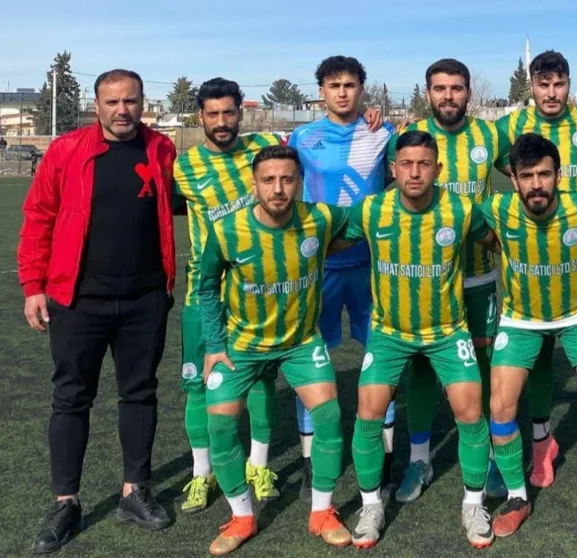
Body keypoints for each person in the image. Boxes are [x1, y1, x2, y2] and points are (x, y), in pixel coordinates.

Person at [20, 69, 177, 554]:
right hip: (77, 299)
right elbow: (39, 215)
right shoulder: (66, 150)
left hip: (145, 297)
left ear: (143, 103)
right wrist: (33, 286)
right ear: (97, 105)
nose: (122, 110)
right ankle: (65, 503)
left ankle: (134, 492)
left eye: (130, 101)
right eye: (112, 102)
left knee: (140, 392)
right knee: (71, 397)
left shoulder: (162, 150)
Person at [344, 131, 495, 549]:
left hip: (448, 332)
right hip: (389, 333)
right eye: (406, 164)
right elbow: (328, 238)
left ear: (437, 169)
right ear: (393, 169)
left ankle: (473, 504)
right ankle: (371, 505)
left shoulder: (461, 209)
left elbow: (496, 241)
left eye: (424, 164)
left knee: (470, 411)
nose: (415, 172)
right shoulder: (371, 209)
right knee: (368, 411)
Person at [198, 145, 350, 555]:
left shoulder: (320, 217)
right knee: (220, 428)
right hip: (242, 345)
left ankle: (322, 512)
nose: (278, 189)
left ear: (300, 183)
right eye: (268, 180)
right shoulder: (227, 230)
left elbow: (362, 222)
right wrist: (214, 343)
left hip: (301, 342)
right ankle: (242, 517)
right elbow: (206, 286)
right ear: (254, 185)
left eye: (287, 179)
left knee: (329, 417)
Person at [483, 133, 577, 540]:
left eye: (544, 174)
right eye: (527, 176)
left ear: (559, 175)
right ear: (513, 179)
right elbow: (481, 235)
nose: (536, 184)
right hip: (521, 319)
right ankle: (516, 497)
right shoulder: (496, 208)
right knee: (500, 407)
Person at [389, 58, 506, 503]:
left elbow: (532, 161)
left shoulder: (490, 135)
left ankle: (489, 454)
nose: (448, 96)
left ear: (468, 92)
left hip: (477, 273)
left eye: (456, 88)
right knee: (422, 366)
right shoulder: (409, 135)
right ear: (428, 93)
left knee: (482, 362)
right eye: (440, 88)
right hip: (424, 277)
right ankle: (420, 458)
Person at [494, 49, 577, 490]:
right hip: (531, 249)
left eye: (559, 84)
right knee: (538, 348)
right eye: (543, 85)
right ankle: (542, 440)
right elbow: (487, 153)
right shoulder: (510, 125)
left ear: (568, 84)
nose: (551, 93)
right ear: (531, 86)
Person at [173, 77, 281, 513]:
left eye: (229, 112)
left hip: (257, 290)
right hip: (204, 294)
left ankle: (259, 466)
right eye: (213, 114)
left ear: (241, 113)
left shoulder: (266, 148)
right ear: (200, 117)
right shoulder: (183, 166)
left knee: (261, 380)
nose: (221, 121)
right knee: (198, 385)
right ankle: (202, 473)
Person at [287, 55, 392, 501]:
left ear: (361, 89)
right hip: (320, 267)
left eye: (350, 85)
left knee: (382, 359)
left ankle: (385, 454)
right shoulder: (302, 137)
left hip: (372, 265)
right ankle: (312, 459)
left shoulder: (383, 132)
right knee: (312, 360)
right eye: (334, 85)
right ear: (321, 92)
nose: (343, 92)